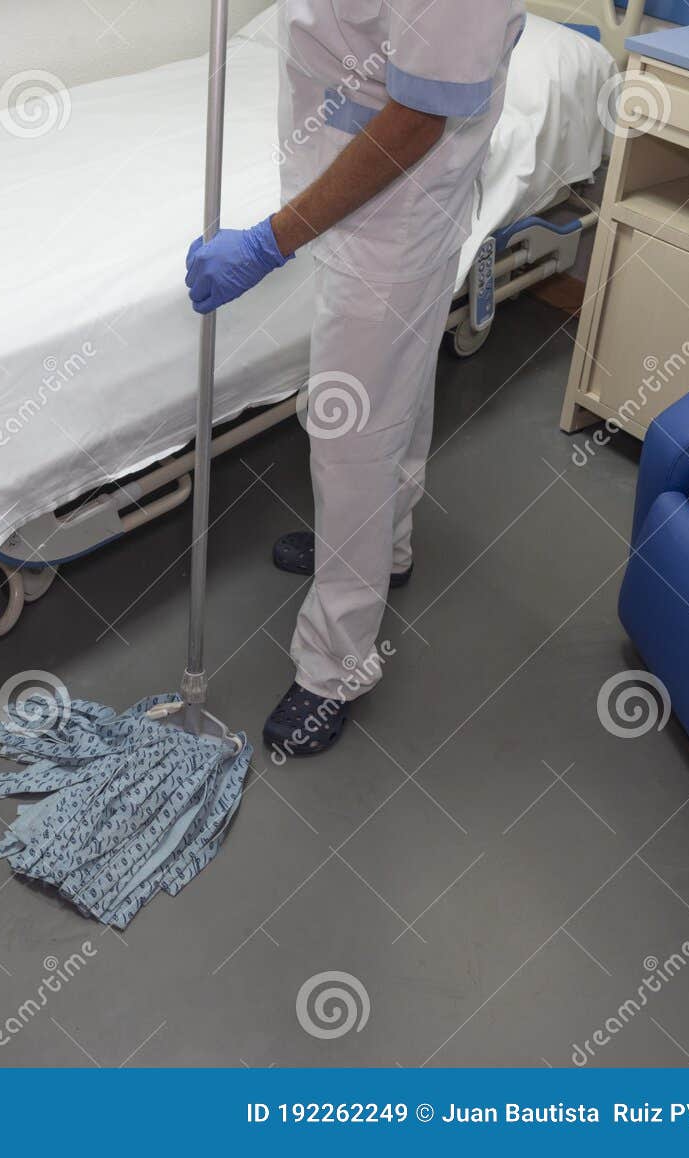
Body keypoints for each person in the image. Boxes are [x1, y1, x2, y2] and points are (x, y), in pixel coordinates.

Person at [185, 0, 527, 757]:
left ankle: (335, 666)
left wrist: (271, 240)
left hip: (395, 209)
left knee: (352, 435)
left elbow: (417, 120)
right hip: (356, 185)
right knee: (395, 395)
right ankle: (384, 548)